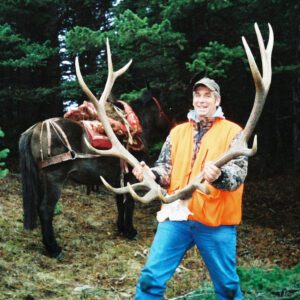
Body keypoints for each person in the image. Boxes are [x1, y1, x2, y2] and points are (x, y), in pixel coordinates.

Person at [132, 77, 248, 300]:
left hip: (215, 221)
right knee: (150, 279)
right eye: (198, 95)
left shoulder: (234, 132)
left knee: (228, 288)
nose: (201, 100)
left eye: (208, 95)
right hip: (176, 217)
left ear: (217, 100)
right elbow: (165, 169)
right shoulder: (177, 132)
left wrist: (219, 176)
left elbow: (237, 175)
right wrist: (150, 174)